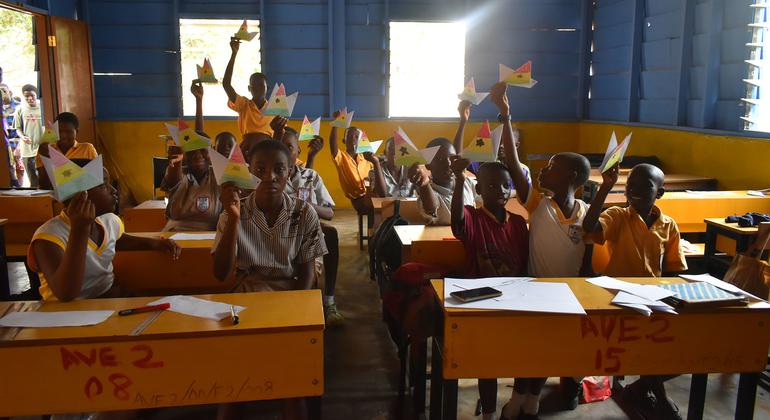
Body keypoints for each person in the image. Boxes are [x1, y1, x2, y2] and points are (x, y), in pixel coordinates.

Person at [491, 81, 592, 418]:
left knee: (551, 349)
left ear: (572, 177)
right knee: (529, 348)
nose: (543, 171)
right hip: (534, 289)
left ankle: (533, 396)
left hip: (568, 295)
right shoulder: (538, 203)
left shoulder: (585, 214)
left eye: (551, 167)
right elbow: (514, 162)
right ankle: (519, 394)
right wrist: (506, 116)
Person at [212, 139, 326, 420]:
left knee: (291, 383)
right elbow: (221, 274)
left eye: (279, 169)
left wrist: (292, 315)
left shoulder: (303, 212)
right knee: (235, 385)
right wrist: (234, 218)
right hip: (246, 298)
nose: (270, 177)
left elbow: (307, 272)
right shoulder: (233, 211)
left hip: (289, 297)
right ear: (250, 170)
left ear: (289, 173)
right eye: (260, 169)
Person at [582, 163, 687, 420]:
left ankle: (639, 388)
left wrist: (672, 300)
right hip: (619, 299)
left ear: (659, 192)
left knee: (683, 351)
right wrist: (605, 187)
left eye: (645, 186)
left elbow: (673, 270)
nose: (635, 190)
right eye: (631, 185)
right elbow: (589, 227)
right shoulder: (618, 215)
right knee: (645, 349)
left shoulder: (668, 225)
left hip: (654, 299)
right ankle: (659, 396)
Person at [29, 159, 180, 302]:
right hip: (67, 313)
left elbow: (119, 240)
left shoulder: (109, 220)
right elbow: (66, 293)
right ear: (80, 196)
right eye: (103, 185)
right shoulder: (49, 237)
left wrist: (154, 244)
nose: (113, 190)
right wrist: (80, 230)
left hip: (107, 296)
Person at [450, 158, 528, 420]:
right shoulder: (472, 217)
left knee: (527, 354)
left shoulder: (518, 223)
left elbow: (526, 264)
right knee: (488, 363)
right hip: (482, 304)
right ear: (479, 190)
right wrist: (460, 180)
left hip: (515, 302)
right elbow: (457, 220)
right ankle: (490, 414)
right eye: (492, 186)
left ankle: (518, 403)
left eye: (506, 186)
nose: (502, 191)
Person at [281, 127, 343, 325]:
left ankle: (329, 300)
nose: (284, 150)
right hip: (278, 232)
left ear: (298, 152)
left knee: (330, 234)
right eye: (280, 145)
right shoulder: (268, 177)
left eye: (289, 146)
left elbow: (329, 213)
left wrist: (307, 206)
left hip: (307, 231)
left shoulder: (311, 176)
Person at [161, 80, 221, 232]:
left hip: (209, 237)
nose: (197, 155)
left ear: (211, 151)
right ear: (184, 155)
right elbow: (175, 173)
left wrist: (199, 102)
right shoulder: (180, 175)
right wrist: (175, 161)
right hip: (175, 237)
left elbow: (199, 140)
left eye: (203, 151)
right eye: (191, 152)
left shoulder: (218, 176)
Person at [411, 137, 478, 225]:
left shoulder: (467, 182)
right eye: (440, 160)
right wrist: (425, 185)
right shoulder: (428, 193)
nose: (448, 164)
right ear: (428, 165)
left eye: (452, 158)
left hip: (471, 237)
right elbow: (431, 208)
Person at [327, 109, 377, 214]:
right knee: (374, 209)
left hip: (371, 194)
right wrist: (336, 123)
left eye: (357, 136)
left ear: (361, 140)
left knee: (386, 204)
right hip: (358, 199)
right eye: (350, 135)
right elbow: (332, 142)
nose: (353, 138)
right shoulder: (341, 157)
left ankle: (376, 228)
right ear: (344, 141)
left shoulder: (366, 157)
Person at [223, 37, 273, 137]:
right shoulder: (243, 105)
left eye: (261, 85)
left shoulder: (275, 108)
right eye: (254, 86)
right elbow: (226, 85)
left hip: (268, 149)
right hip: (248, 149)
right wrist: (234, 54)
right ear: (249, 89)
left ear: (268, 87)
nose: (258, 88)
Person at [13, 84, 43, 187]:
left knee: (44, 177)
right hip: (27, 149)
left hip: (41, 147)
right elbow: (17, 128)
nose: (30, 98)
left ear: (36, 95)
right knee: (32, 178)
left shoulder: (42, 107)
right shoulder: (19, 109)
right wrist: (22, 137)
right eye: (27, 96)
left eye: (32, 95)